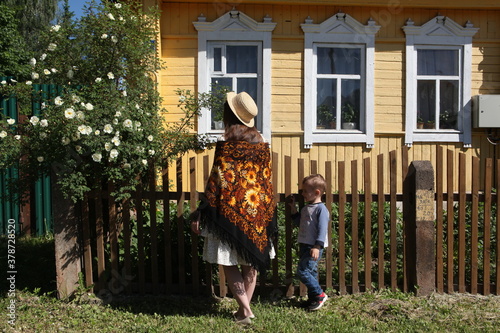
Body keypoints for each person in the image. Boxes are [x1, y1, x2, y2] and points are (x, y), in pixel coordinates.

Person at [191, 91, 276, 325]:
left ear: (229, 115)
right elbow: (264, 182)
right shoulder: (262, 144)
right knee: (251, 262)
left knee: (227, 262)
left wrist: (202, 210)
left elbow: (216, 181)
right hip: (257, 211)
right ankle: (244, 311)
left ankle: (245, 310)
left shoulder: (226, 145)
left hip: (227, 211)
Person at [289, 174, 329, 311]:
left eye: (305, 191)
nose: (303, 194)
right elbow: (298, 223)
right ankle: (313, 299)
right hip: (305, 245)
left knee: (303, 271)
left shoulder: (321, 209)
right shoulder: (306, 208)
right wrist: (293, 210)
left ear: (317, 192)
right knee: (310, 272)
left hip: (314, 246)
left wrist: (317, 246)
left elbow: (323, 229)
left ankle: (319, 294)